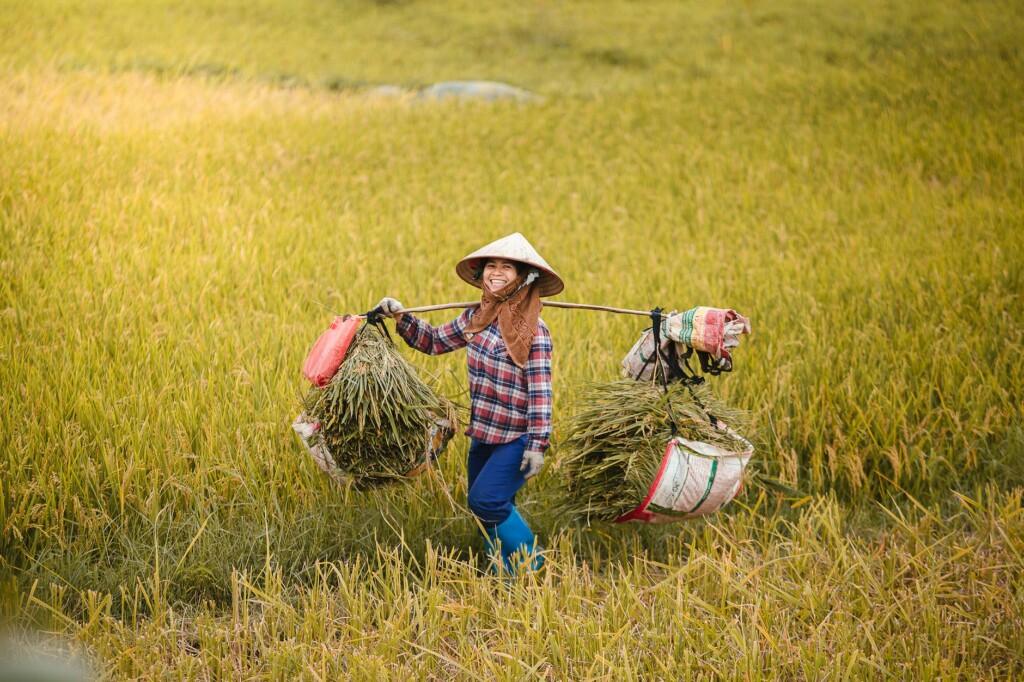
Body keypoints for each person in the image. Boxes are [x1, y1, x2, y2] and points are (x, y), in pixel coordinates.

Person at [375, 233, 562, 574]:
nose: (497, 272)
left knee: (485, 501)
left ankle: (533, 563)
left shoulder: (535, 332)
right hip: (484, 434)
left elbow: (540, 394)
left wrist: (537, 445)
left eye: (507, 268)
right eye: (492, 265)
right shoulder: (476, 318)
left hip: (517, 438)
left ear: (522, 277)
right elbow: (432, 341)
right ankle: (503, 571)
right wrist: (401, 317)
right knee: (489, 506)